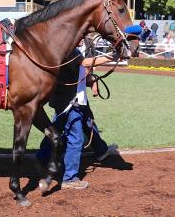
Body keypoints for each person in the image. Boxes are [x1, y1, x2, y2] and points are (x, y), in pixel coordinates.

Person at [36, 39, 119, 190]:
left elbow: (80, 74)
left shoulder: (69, 49)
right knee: (76, 139)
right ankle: (70, 178)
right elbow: (85, 63)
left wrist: (92, 81)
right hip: (69, 102)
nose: (82, 38)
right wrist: (111, 57)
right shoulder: (68, 50)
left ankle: (42, 156)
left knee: (58, 129)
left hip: (71, 101)